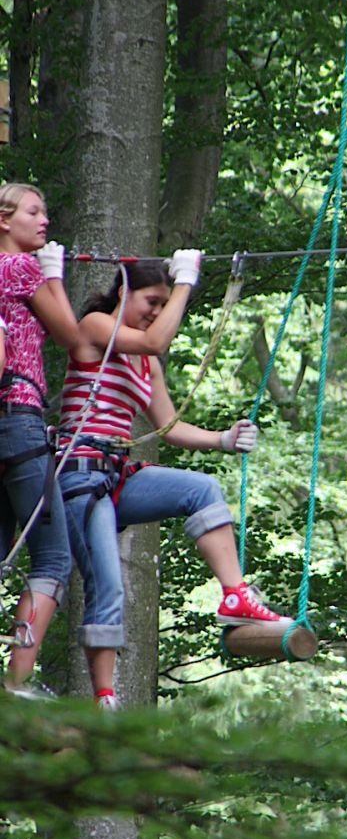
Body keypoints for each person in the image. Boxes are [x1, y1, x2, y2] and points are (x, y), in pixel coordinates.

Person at [57, 254, 286, 710]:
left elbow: (168, 426)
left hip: (117, 475)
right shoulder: (98, 327)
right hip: (79, 474)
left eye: (165, 304)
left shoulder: (147, 363)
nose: (158, 311)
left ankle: (236, 596)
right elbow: (154, 339)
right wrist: (185, 282)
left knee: (202, 489)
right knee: (109, 586)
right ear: (124, 292)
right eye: (152, 301)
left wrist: (222, 439)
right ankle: (104, 698)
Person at [0, 182, 79, 695]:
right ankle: (17, 684)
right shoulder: (19, 268)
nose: (44, 219)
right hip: (19, 419)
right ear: (4, 220)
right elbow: (72, 336)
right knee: (52, 557)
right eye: (33, 211)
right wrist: (54, 274)